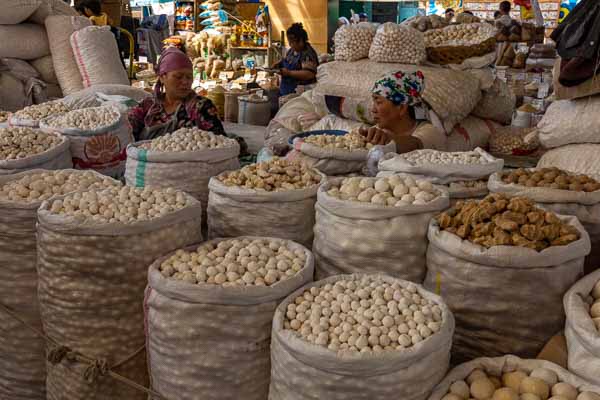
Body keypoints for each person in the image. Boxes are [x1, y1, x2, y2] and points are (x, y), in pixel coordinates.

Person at [128, 47, 247, 155]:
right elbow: (127, 131)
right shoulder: (148, 105)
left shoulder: (201, 107)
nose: (185, 82)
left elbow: (219, 143)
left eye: (189, 77)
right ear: (162, 77)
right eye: (178, 77)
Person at [359, 70, 447, 153]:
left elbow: (415, 144)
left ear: (401, 108)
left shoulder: (430, 132)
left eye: (378, 102)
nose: (372, 109)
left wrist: (387, 141)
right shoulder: (378, 132)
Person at [274, 23, 319, 96]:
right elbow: (286, 60)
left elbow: (309, 74)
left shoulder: (307, 53)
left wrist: (289, 73)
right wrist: (279, 64)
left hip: (300, 94)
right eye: (289, 41)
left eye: (292, 42)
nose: (290, 44)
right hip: (286, 91)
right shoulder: (291, 51)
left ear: (301, 41)